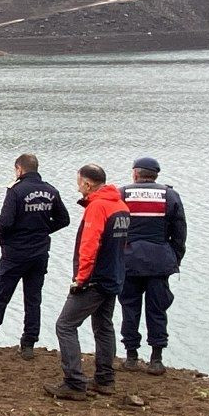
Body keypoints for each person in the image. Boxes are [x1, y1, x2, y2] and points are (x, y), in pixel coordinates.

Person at [0, 153, 69, 359]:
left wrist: (3, 238)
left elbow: (5, 222)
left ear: (19, 169)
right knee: (33, 299)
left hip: (15, 254)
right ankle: (29, 344)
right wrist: (43, 230)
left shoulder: (16, 191)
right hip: (39, 253)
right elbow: (64, 219)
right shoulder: (51, 191)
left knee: (0, 297)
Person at [46, 164, 130, 401]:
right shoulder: (121, 207)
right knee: (104, 325)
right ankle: (105, 379)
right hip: (114, 277)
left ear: (87, 184)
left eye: (79, 181)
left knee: (65, 325)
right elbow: (122, 246)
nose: (78, 186)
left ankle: (74, 382)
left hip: (94, 279)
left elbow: (89, 246)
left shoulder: (98, 207)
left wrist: (80, 280)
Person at [119, 157, 187, 375]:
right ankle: (156, 359)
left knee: (129, 307)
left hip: (129, 260)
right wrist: (175, 258)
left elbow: (114, 227)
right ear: (155, 175)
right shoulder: (170, 195)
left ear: (136, 174)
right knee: (157, 309)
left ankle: (131, 356)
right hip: (159, 261)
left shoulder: (122, 194)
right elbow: (179, 233)